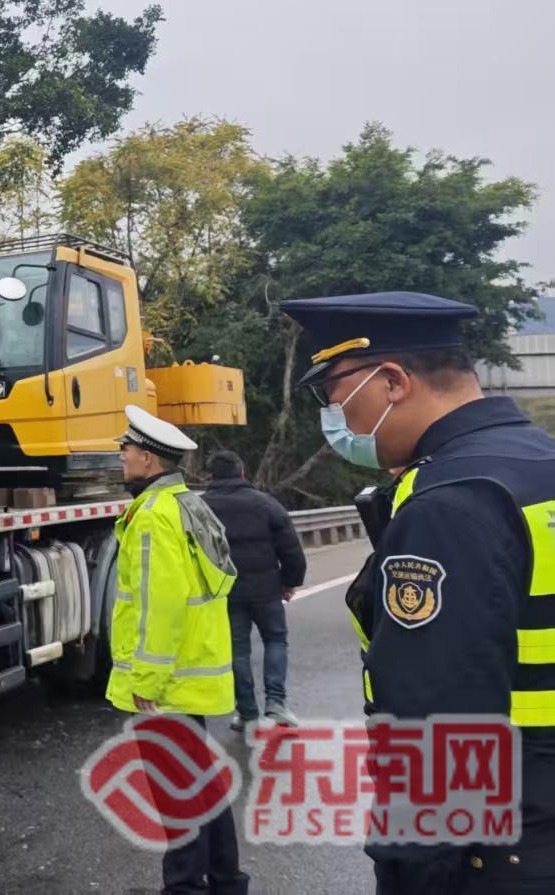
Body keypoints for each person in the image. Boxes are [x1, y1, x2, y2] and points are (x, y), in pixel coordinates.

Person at [282, 292, 555, 892]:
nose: (335, 418)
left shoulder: (449, 503)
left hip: (499, 851)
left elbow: (438, 723)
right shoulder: (538, 463)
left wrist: (409, 870)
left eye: (333, 396)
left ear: (392, 381)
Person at [107, 404, 250, 895]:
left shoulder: (152, 517)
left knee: (177, 794)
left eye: (126, 449)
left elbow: (159, 605)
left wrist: (146, 680)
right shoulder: (186, 504)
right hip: (191, 671)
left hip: (166, 682)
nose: (121, 456)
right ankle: (227, 881)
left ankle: (186, 887)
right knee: (202, 784)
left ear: (147, 459)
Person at [201, 449, 306, 729]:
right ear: (242, 472)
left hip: (225, 592)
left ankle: (247, 713)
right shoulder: (265, 503)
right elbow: (290, 548)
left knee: (237, 650)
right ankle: (276, 703)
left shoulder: (201, 508)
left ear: (210, 476)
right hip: (266, 590)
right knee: (276, 640)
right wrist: (289, 581)